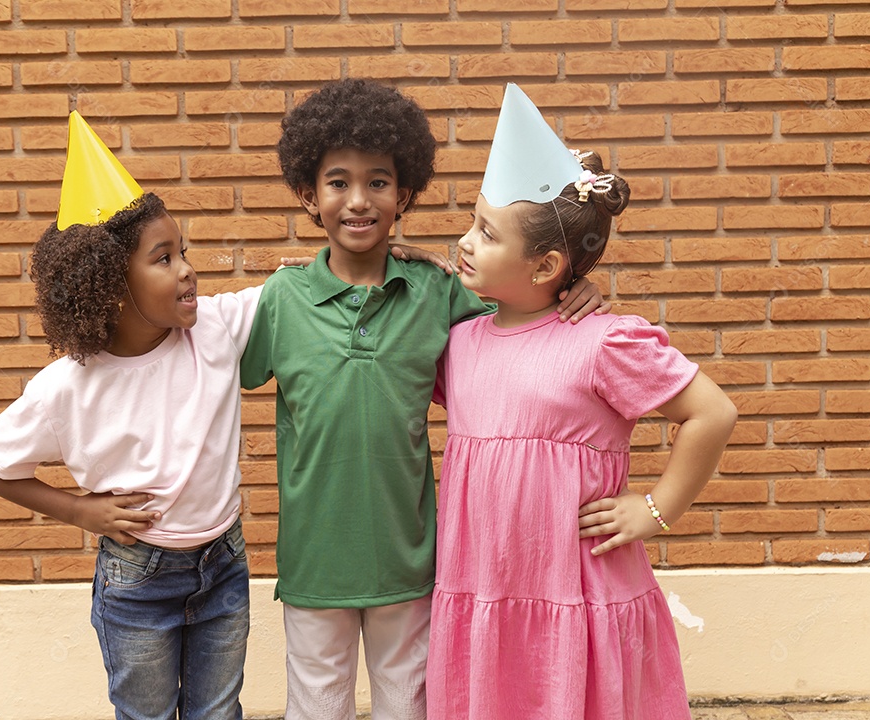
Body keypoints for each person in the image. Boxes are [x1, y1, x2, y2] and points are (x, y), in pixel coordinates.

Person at [238, 78, 609, 720]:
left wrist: (582, 288)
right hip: (314, 560)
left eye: (378, 182)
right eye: (337, 183)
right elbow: (207, 368)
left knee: (408, 703)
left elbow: (527, 297)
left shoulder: (438, 293)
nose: (358, 200)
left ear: (404, 192)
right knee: (315, 704)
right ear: (308, 195)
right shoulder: (280, 300)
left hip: (412, 560)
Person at [425, 84, 738, 720]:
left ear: (544, 267)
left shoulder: (602, 341)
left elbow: (712, 412)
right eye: (472, 220)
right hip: (483, 589)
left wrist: (657, 507)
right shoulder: (457, 340)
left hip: (580, 591)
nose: (464, 240)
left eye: (486, 232)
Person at [0, 112, 256, 720]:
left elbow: (305, 287)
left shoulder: (216, 328)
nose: (186, 269)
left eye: (183, 252)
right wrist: (78, 510)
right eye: (163, 258)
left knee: (218, 713)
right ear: (112, 284)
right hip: (137, 580)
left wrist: (387, 257)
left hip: (223, 564)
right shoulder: (68, 387)